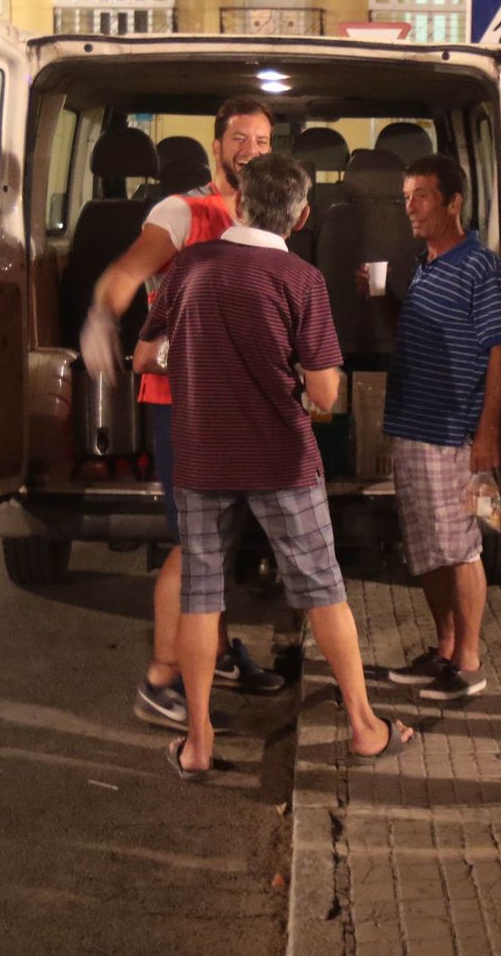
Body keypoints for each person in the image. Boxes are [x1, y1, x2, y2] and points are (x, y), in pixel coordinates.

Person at [137, 153, 416, 779]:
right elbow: (324, 394)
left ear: (237, 204)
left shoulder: (188, 267)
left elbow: (144, 357)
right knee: (322, 589)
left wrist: (194, 364)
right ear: (303, 214)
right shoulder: (301, 280)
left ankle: (199, 743)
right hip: (282, 460)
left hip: (203, 456)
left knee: (202, 596)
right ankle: (366, 728)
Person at [79, 98, 284, 730]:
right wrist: (100, 319)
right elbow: (126, 272)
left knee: (219, 540)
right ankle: (162, 677)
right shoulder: (182, 210)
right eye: (240, 138)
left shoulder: (258, 214)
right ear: (217, 144)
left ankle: (214, 655)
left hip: (234, 402)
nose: (252, 148)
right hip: (183, 403)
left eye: (264, 139)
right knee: (194, 544)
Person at [365, 155, 501, 703]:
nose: (411, 207)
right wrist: (381, 300)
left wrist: (487, 432)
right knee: (426, 549)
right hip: (411, 423)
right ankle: (445, 650)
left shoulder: (481, 266)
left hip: (453, 431)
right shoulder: (424, 265)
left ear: (454, 201)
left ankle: (470, 663)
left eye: (422, 196)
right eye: (406, 197)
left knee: (459, 547)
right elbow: (414, 337)